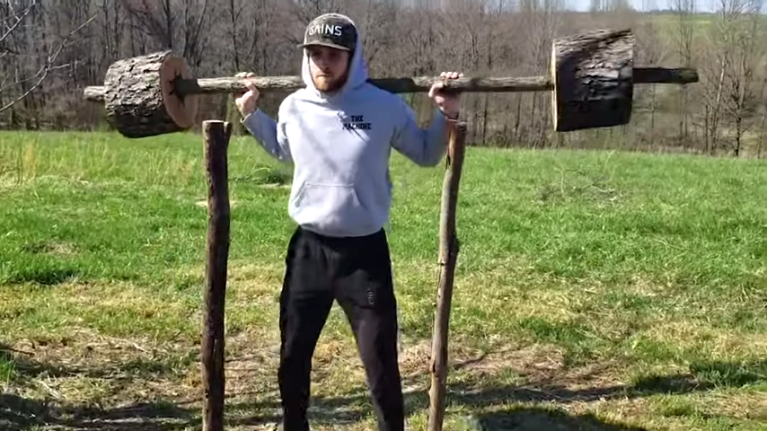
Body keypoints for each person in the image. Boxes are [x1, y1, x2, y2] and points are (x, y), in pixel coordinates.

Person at [233, 12, 462, 431]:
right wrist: (252, 116)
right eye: (316, 54)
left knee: (380, 367)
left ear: (353, 58)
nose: (324, 63)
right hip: (308, 253)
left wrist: (445, 114)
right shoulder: (293, 106)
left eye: (334, 55)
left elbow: (427, 154)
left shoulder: (383, 107)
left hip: (364, 257)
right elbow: (285, 149)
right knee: (292, 359)